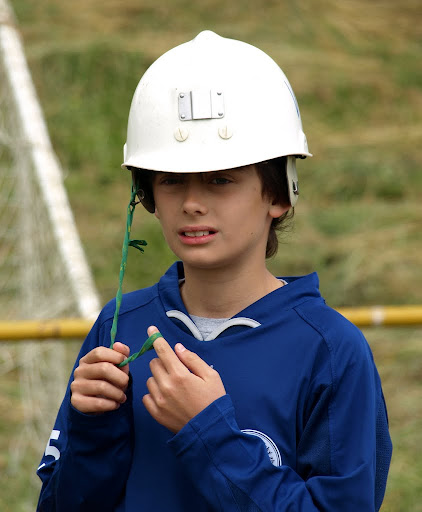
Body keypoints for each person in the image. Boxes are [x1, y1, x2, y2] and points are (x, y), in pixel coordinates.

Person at [36, 30, 392, 511]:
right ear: (147, 196)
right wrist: (92, 430)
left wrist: (208, 434)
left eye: (220, 180)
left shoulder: (330, 350)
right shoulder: (119, 326)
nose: (192, 203)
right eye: (171, 180)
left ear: (279, 195)